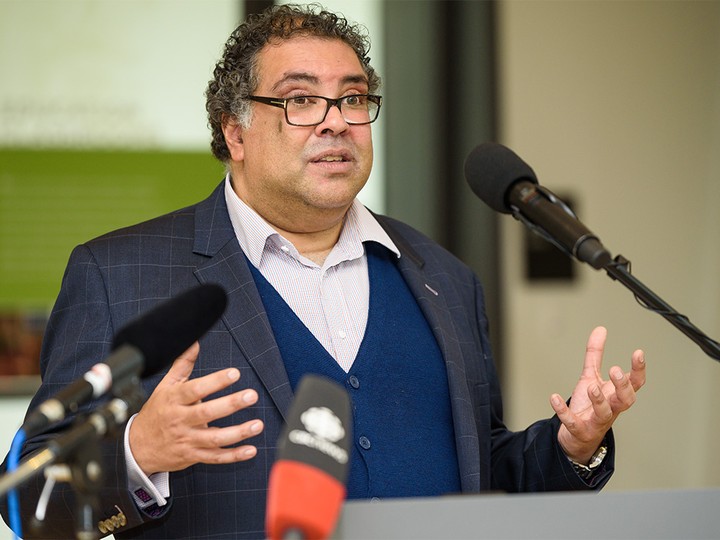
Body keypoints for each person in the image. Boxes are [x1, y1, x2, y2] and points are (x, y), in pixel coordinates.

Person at [1, 4, 645, 539]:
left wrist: (569, 447)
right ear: (235, 131)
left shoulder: (443, 278)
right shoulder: (118, 274)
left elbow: (482, 470)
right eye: (301, 100)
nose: (336, 120)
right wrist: (138, 452)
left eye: (354, 97)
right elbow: (26, 505)